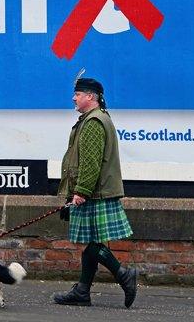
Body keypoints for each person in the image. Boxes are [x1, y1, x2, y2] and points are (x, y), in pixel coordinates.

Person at [53, 77, 138, 308]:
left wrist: (81, 191)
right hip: (98, 191)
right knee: (93, 242)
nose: (74, 98)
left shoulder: (93, 122)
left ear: (91, 97)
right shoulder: (97, 119)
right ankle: (82, 291)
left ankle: (123, 275)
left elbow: (91, 162)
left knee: (93, 244)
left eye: (78, 94)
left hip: (94, 192)